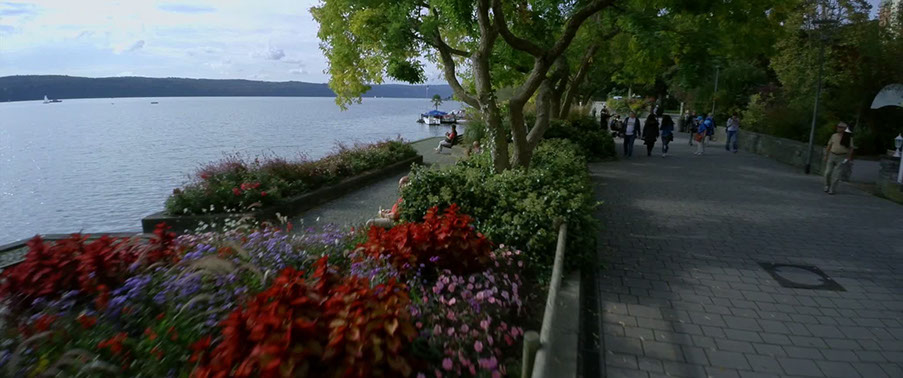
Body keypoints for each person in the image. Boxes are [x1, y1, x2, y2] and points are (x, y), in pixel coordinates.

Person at [823, 122, 855, 195]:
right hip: (832, 155)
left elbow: (851, 148)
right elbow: (829, 145)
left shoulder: (848, 138)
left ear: (844, 129)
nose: (838, 128)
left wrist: (849, 158)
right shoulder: (834, 136)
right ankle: (827, 185)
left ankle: (832, 189)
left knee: (837, 174)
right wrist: (826, 155)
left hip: (841, 157)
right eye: (838, 126)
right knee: (827, 172)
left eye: (840, 127)